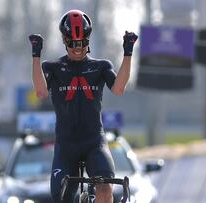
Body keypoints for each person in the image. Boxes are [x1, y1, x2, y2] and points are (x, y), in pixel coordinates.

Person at [29, 9, 137, 203]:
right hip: (66, 144)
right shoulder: (51, 68)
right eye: (72, 43)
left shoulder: (101, 66)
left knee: (105, 190)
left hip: (94, 142)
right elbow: (41, 92)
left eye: (82, 42)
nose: (77, 48)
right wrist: (36, 56)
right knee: (62, 198)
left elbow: (119, 88)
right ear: (64, 40)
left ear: (88, 40)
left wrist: (128, 53)